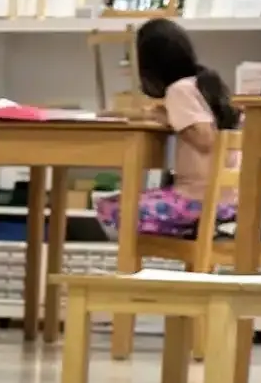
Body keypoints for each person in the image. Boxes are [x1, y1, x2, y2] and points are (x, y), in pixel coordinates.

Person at [94, 17, 241, 237]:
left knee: (111, 206)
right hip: (228, 201)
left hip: (198, 200)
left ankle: (190, 235)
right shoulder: (203, 84)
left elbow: (205, 138)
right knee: (135, 200)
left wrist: (172, 119)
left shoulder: (179, 91)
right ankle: (200, 234)